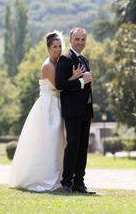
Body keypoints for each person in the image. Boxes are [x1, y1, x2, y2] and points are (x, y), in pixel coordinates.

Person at [8, 31, 83, 192]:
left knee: (58, 143)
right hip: (48, 106)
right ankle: (44, 177)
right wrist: (76, 77)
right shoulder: (48, 65)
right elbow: (57, 85)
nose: (57, 49)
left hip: (58, 104)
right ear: (48, 48)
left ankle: (61, 177)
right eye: (54, 47)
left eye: (59, 46)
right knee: (48, 141)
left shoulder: (60, 63)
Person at [55, 27, 95, 194]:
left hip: (85, 110)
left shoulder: (84, 59)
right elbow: (60, 84)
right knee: (73, 146)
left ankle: (79, 182)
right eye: (77, 39)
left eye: (83, 40)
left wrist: (86, 81)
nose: (80, 42)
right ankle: (66, 182)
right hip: (72, 111)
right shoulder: (65, 58)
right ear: (70, 40)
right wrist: (81, 82)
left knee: (82, 147)